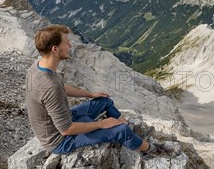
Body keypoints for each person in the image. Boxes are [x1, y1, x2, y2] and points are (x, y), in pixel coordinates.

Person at [25, 24, 159, 156]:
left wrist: (90, 94)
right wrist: (102, 124)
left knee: (104, 101)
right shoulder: (50, 86)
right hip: (61, 140)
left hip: (66, 118)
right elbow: (66, 129)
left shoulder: (37, 68)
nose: (70, 46)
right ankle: (151, 149)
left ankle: (129, 130)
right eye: (66, 43)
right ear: (55, 49)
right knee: (121, 130)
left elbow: (62, 87)